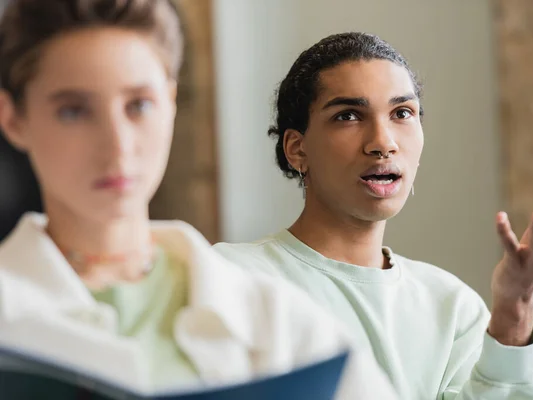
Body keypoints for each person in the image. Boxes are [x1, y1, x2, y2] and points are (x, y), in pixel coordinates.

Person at [0, 3, 397, 398]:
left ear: (170, 102)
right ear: (13, 118)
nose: (117, 147)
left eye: (139, 105)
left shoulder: (281, 324)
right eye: (73, 111)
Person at [214, 32, 533, 399]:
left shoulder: (452, 307)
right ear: (297, 149)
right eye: (348, 115)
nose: (383, 142)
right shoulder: (230, 278)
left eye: (402, 113)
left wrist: (515, 310)